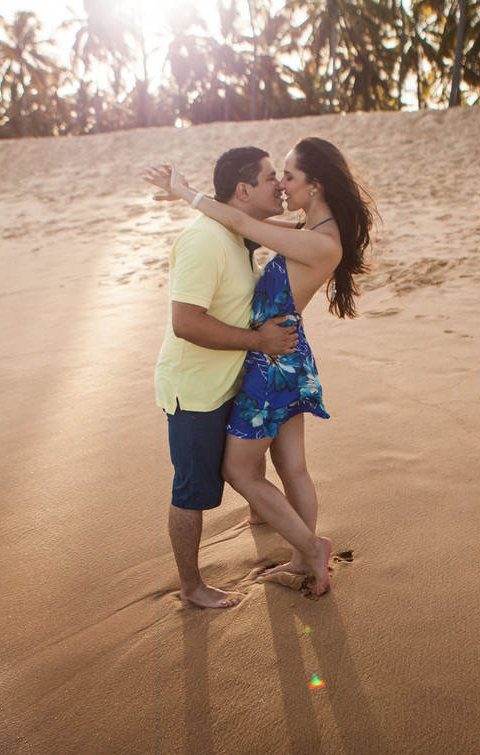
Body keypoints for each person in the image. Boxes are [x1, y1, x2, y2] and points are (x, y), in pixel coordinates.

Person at [145, 137, 375, 597]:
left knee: (240, 472)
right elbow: (238, 220)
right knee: (292, 467)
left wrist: (186, 193)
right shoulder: (312, 230)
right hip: (285, 357)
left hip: (272, 363)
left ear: (316, 184)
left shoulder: (317, 242)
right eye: (277, 176)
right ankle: (303, 556)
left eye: (288, 176)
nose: (283, 185)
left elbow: (235, 216)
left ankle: (310, 550)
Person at [154, 146, 296, 609]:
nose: (279, 185)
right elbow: (186, 323)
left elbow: (297, 233)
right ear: (243, 189)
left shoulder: (239, 233)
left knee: (246, 461)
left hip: (228, 379)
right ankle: (191, 586)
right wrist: (259, 342)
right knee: (193, 490)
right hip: (193, 389)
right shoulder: (204, 241)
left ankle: (258, 518)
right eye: (271, 177)